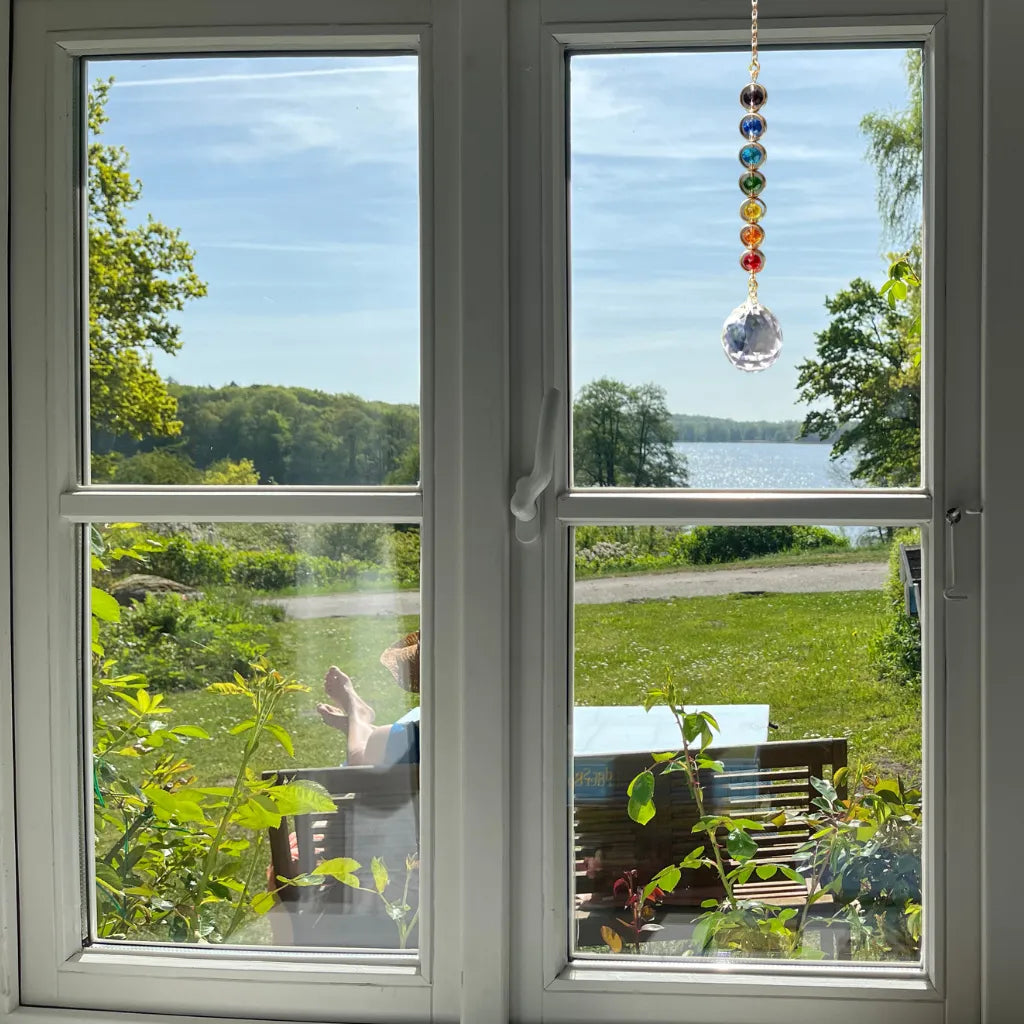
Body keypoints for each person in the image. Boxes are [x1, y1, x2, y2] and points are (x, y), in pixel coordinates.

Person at [316, 630, 420, 766]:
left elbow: (359, 767)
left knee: (372, 744)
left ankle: (357, 715)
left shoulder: (424, 734)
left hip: (410, 750)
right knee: (381, 740)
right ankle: (359, 727)